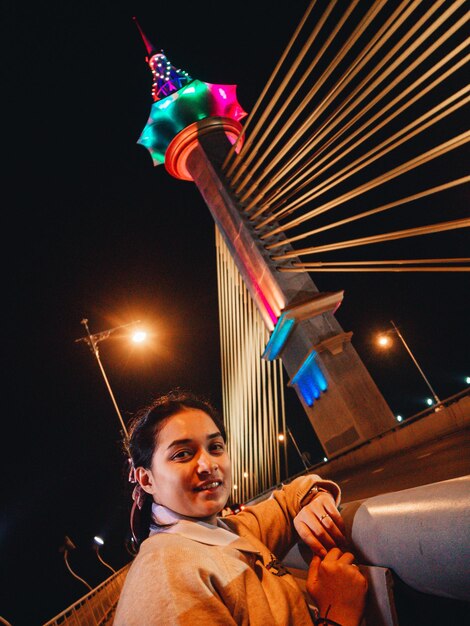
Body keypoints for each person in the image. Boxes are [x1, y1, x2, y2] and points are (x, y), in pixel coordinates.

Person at [114, 391, 367, 626]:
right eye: (182, 454)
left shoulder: (230, 530)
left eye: (215, 447)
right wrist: (337, 614)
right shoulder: (165, 580)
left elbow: (289, 497)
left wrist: (314, 499)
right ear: (146, 480)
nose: (207, 465)